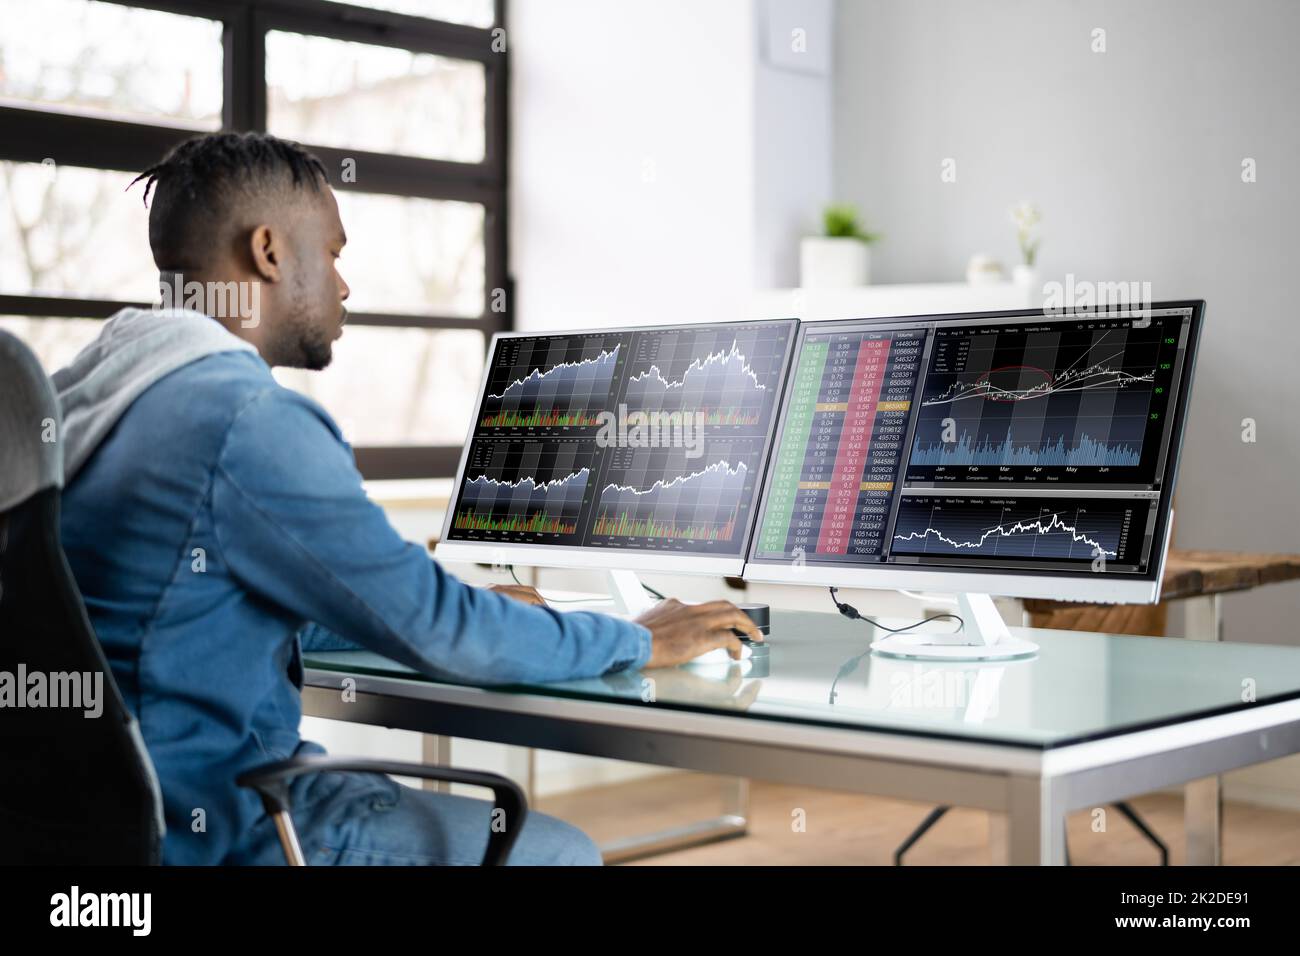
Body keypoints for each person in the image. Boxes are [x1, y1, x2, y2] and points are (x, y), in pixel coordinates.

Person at [54, 131, 761, 866]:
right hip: (233, 827)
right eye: (331, 253)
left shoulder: (95, 399)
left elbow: (199, 619)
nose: (344, 284)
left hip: (105, 825)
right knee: (559, 852)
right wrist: (639, 642)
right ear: (267, 252)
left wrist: (433, 608)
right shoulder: (247, 422)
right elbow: (445, 636)